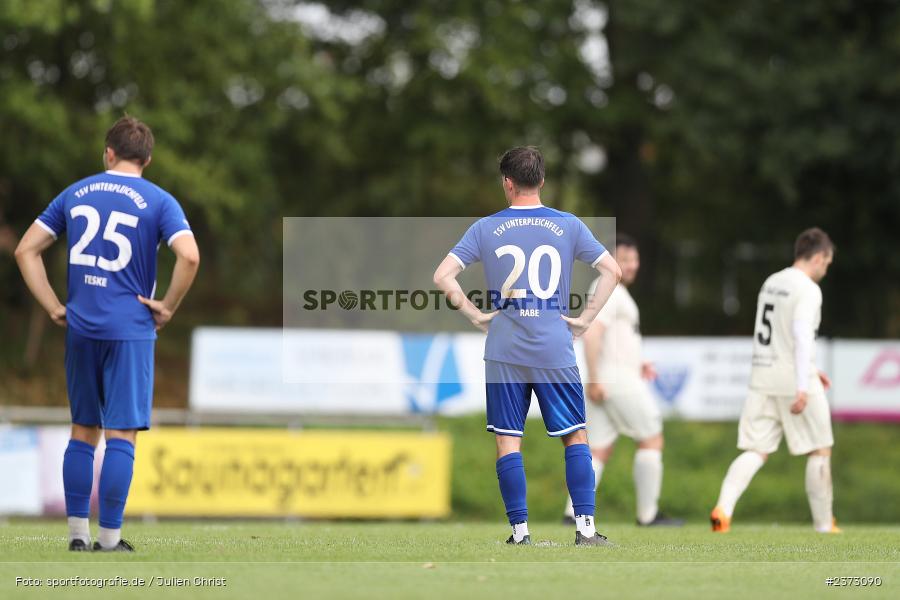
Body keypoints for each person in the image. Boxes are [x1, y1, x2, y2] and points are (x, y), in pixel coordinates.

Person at [14, 116, 199, 551]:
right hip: (130, 330)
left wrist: (54, 306)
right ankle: (110, 539)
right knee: (121, 434)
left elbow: (26, 250)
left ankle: (77, 536)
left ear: (108, 153)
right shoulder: (159, 201)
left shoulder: (75, 192)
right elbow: (188, 257)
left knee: (82, 429)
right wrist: (167, 307)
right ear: (147, 160)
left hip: (81, 327)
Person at [433, 146, 621, 546]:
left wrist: (475, 315)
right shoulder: (567, 225)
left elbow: (443, 276)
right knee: (575, 435)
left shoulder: (486, 228)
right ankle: (585, 530)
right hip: (554, 345)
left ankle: (520, 533)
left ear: (507, 181)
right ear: (542, 180)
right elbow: (612, 271)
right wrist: (586, 318)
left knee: (507, 438)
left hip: (504, 348)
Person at [710, 227, 839, 533]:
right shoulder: (808, 289)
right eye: (827, 263)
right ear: (819, 257)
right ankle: (824, 524)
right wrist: (804, 383)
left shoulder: (773, 281)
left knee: (756, 449)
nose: (826, 269)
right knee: (820, 449)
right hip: (794, 378)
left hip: (762, 376)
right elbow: (800, 333)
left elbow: (778, 334)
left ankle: (723, 509)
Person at [563, 234, 683, 527]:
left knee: (598, 449)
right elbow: (592, 334)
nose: (630, 265)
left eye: (634, 259)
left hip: (610, 379)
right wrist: (593, 379)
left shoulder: (615, 292)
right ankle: (648, 515)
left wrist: (637, 362)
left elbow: (614, 339)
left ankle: (572, 513)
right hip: (615, 381)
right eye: (623, 259)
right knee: (651, 437)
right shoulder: (610, 288)